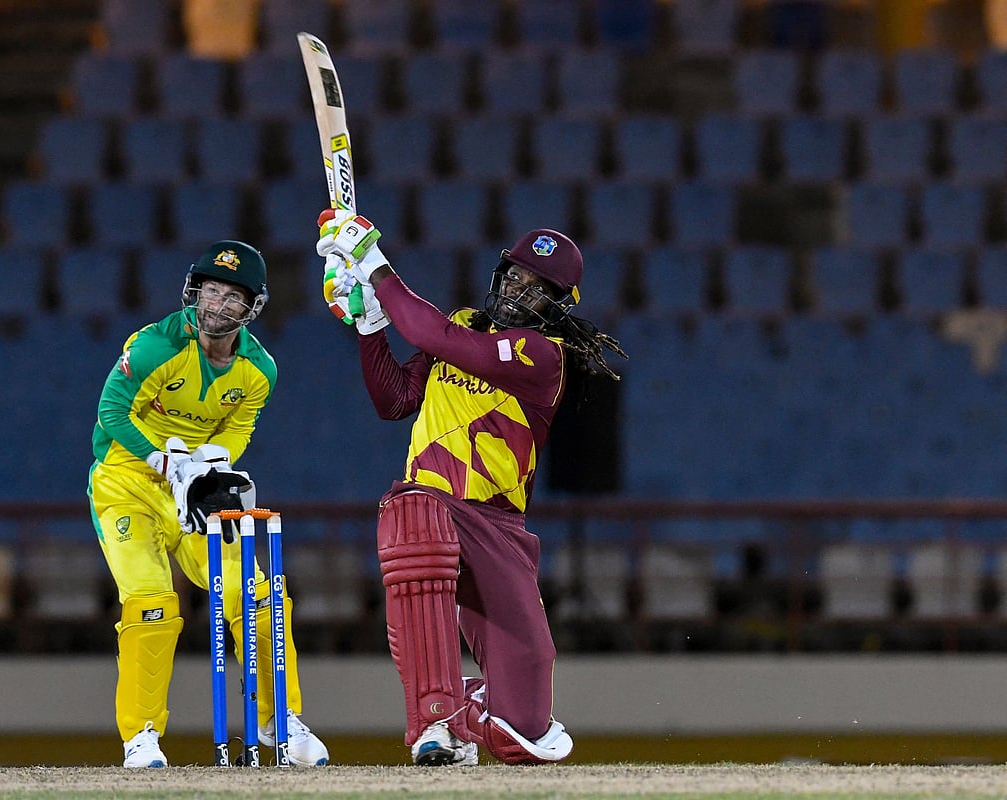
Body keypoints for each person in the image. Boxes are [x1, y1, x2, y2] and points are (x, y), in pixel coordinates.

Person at [316, 210, 627, 766]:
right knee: (414, 514)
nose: (517, 291)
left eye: (537, 289)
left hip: (499, 526)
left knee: (523, 734)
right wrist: (368, 326)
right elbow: (393, 401)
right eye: (514, 276)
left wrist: (376, 270)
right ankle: (433, 717)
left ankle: (460, 713)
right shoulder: (462, 323)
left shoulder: (544, 356)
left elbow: (436, 334)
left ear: (557, 307)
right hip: (429, 503)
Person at [88, 240, 329, 768]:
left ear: (252, 309)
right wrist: (159, 459)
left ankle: (277, 719)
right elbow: (111, 412)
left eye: (231, 297)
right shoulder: (155, 346)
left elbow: (238, 429)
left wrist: (209, 462)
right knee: (152, 600)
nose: (216, 305)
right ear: (194, 292)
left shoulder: (259, 370)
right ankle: (142, 736)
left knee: (259, 594)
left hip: (192, 483)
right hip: (125, 479)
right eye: (209, 291)